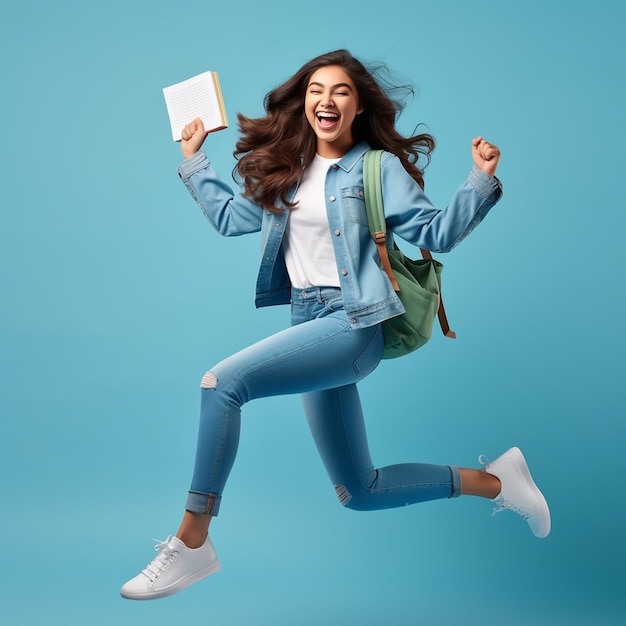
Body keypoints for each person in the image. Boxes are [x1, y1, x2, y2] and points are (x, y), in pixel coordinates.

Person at [120, 49, 550, 601]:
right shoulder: (289, 173)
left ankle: (193, 539)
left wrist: (479, 181)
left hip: (353, 324)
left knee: (221, 384)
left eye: (341, 91)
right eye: (317, 89)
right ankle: (498, 482)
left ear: (356, 107)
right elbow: (230, 220)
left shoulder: (378, 168)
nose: (327, 99)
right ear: (304, 103)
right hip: (307, 320)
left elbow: (436, 235)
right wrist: (194, 161)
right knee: (361, 490)